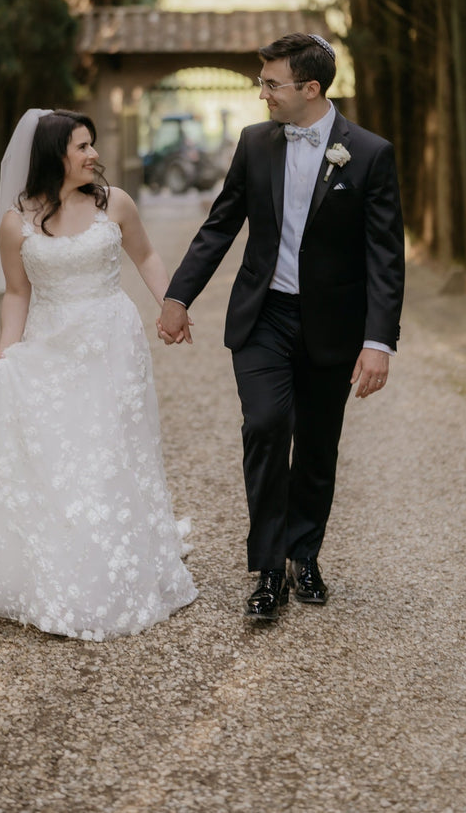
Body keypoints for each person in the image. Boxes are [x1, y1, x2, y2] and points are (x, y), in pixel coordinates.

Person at [158, 33, 405, 622]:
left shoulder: (369, 154)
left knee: (318, 445)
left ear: (310, 88)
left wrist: (378, 342)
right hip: (263, 315)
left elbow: (384, 256)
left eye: (272, 83)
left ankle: (306, 555)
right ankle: (269, 568)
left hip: (332, 326)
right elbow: (220, 226)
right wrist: (177, 295)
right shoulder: (254, 143)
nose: (262, 92)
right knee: (266, 425)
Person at [0, 108, 197, 640]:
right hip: (51, 344)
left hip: (112, 341)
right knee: (62, 455)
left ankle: (120, 558)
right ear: (53, 156)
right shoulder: (17, 221)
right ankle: (61, 567)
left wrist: (169, 306)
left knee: (111, 447)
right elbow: (18, 293)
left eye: (92, 144)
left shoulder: (116, 204)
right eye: (81, 146)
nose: (93, 154)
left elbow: (148, 257)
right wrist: (6, 351)